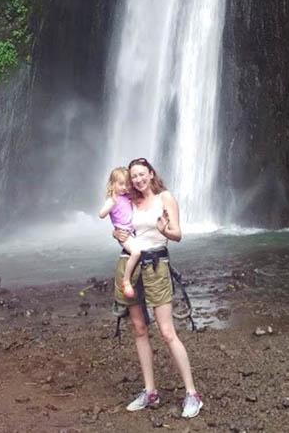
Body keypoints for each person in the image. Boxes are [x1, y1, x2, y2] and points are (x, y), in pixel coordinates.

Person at [113, 157, 203, 419]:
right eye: (134, 177)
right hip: (130, 265)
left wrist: (165, 229)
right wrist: (117, 235)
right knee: (140, 330)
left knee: (166, 331)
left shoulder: (165, 198)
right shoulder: (130, 200)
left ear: (151, 174)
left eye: (142, 174)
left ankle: (192, 394)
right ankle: (150, 391)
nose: (138, 180)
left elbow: (177, 234)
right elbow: (122, 227)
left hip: (156, 265)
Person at [99, 167, 141, 299]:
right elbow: (101, 214)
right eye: (121, 184)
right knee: (136, 252)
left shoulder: (127, 197)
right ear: (113, 184)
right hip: (123, 233)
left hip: (132, 231)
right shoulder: (113, 200)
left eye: (127, 184)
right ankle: (126, 280)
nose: (124, 187)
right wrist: (110, 205)